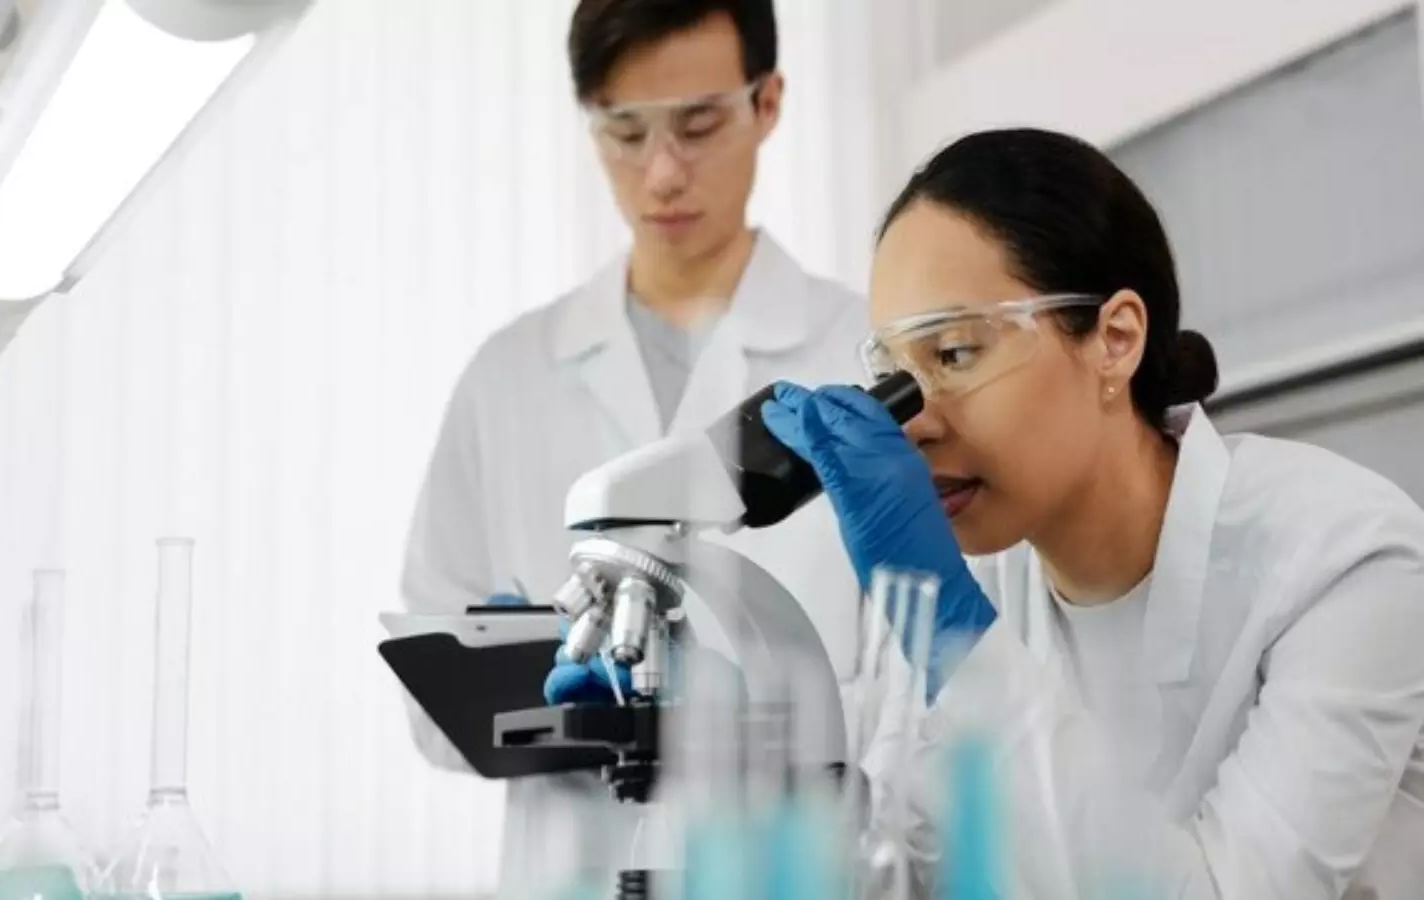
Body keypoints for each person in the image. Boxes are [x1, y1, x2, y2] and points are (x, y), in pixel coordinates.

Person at [753, 128, 1424, 897]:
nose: (913, 424)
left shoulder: (1344, 558)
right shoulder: (983, 574)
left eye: (956, 353)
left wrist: (953, 637)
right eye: (893, 377)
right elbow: (908, 865)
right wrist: (738, 761)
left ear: (1116, 339)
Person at [399, 1, 867, 895]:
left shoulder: (851, 354)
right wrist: (513, 675)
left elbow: (917, 702)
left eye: (698, 125)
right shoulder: (509, 378)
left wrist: (743, 712)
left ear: (767, 103)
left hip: (784, 869)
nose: (661, 172)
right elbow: (428, 700)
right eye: (624, 132)